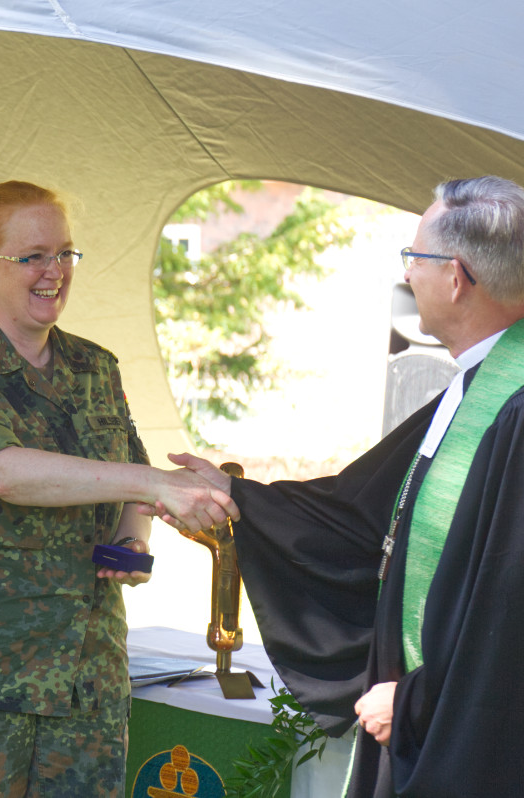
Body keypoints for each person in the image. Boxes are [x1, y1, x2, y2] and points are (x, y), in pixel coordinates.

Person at [163, 176, 524, 797]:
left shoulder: (513, 409)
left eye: (415, 257)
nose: (408, 274)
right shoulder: (480, 385)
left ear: (456, 277)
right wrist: (238, 501)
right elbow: (367, 514)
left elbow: (509, 608)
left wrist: (415, 699)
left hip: (471, 739)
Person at [0, 180, 238, 796]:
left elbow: (131, 476)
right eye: (34, 257)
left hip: (86, 677)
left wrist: (132, 536)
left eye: (65, 254)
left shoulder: (94, 366)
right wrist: (152, 481)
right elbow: (0, 470)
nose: (54, 272)